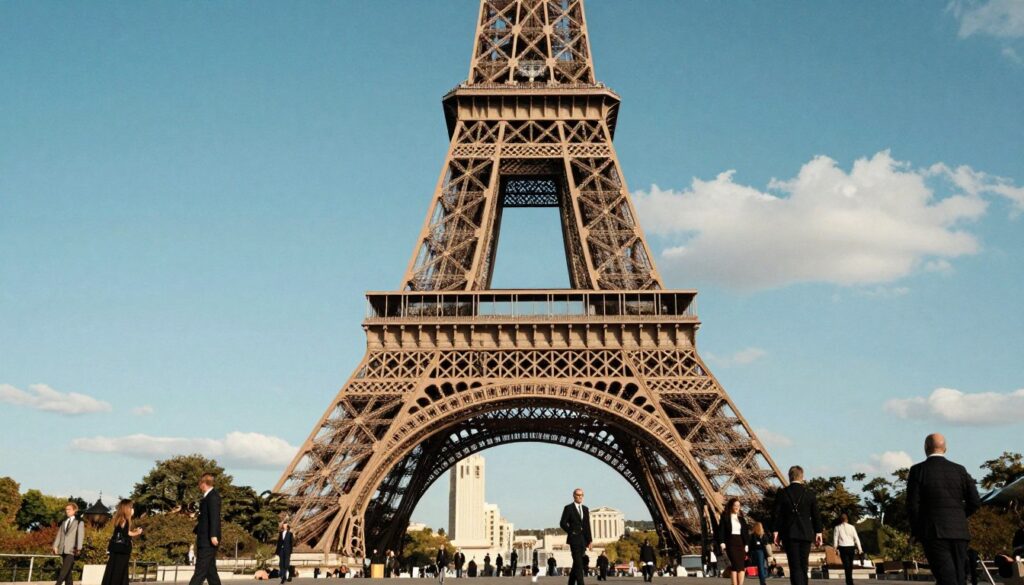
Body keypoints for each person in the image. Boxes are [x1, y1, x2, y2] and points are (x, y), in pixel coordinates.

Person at [907, 433, 981, 585]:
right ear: (945, 448)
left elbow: (912, 505)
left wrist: (916, 531)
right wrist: (959, 516)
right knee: (959, 577)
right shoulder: (960, 470)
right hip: (959, 531)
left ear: (925, 448)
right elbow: (975, 501)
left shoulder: (918, 470)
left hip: (934, 531)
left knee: (945, 576)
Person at [772, 465, 823, 585]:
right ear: (802, 477)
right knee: (804, 566)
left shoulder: (782, 493)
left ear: (789, 477)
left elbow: (777, 515)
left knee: (794, 566)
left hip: (789, 533)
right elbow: (816, 515)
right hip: (806, 533)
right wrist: (818, 532)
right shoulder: (809, 494)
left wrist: (775, 531)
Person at [189, 473, 223, 585]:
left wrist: (214, 535)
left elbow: (214, 517)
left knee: (200, 571)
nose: (199, 486)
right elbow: (207, 517)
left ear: (203, 483)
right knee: (210, 572)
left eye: (199, 483)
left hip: (208, 540)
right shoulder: (208, 497)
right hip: (204, 538)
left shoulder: (213, 497)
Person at [101, 499, 143, 585]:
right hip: (122, 550)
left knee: (113, 570)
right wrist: (137, 532)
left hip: (116, 548)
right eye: (131, 507)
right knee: (119, 572)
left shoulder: (120, 519)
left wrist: (134, 532)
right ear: (127, 509)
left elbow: (124, 532)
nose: (132, 509)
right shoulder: (125, 520)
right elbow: (126, 534)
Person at [559, 488, 593, 585]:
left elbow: (587, 526)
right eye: (578, 495)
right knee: (578, 564)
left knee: (577, 564)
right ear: (574, 496)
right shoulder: (568, 508)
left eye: (581, 495)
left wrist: (590, 540)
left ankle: (571, 583)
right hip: (574, 540)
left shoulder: (585, 509)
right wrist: (571, 532)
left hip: (583, 540)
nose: (580, 497)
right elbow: (562, 523)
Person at [718, 498, 750, 585]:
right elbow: (721, 531)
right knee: (735, 564)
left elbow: (745, 533)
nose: (737, 507)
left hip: (740, 543)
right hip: (731, 543)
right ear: (731, 506)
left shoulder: (741, 519)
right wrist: (722, 542)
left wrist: (747, 544)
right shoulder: (725, 518)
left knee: (741, 566)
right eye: (735, 505)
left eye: (738, 505)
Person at [53, 502, 84, 585]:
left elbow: (80, 535)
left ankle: (58, 583)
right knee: (68, 571)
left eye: (69, 509)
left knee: (64, 570)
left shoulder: (79, 521)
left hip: (72, 549)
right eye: (66, 509)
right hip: (63, 548)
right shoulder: (64, 521)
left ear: (74, 510)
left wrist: (79, 548)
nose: (67, 511)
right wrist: (55, 546)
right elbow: (59, 534)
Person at [832, 513, 862, 585]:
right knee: (850, 565)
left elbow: (835, 539)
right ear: (847, 519)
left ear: (840, 520)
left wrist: (835, 548)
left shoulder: (837, 528)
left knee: (846, 565)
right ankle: (850, 581)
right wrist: (860, 548)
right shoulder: (852, 527)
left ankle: (849, 581)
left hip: (843, 548)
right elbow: (856, 538)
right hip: (851, 547)